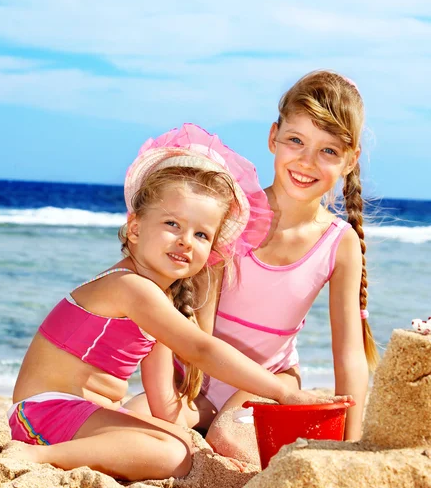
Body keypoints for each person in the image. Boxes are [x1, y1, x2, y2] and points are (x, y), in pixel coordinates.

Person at [8, 124, 350, 481]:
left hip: (77, 415)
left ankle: (63, 452)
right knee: (172, 454)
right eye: (173, 224)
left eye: (201, 234)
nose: (186, 241)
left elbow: (163, 405)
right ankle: (37, 456)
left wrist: (193, 446)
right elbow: (201, 348)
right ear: (136, 228)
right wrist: (281, 391)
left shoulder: (158, 300)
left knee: (174, 442)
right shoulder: (131, 288)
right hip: (42, 413)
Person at [126, 72, 378, 461]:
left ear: (350, 160)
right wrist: (185, 401)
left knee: (228, 441)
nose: (307, 162)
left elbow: (349, 355)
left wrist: (354, 445)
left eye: (328, 151)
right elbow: (199, 331)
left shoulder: (339, 242)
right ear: (273, 137)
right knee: (132, 422)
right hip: (196, 381)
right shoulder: (233, 216)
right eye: (296, 141)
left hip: (268, 382)